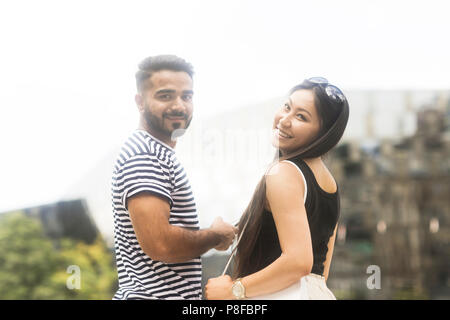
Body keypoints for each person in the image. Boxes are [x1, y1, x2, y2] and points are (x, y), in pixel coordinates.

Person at [205, 77, 349, 300]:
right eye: (287, 107)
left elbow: (299, 261)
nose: (285, 120)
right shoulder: (330, 184)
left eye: (301, 116)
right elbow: (320, 272)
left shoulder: (283, 172)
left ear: (323, 134)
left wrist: (234, 290)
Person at [111, 55, 237, 300]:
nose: (179, 105)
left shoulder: (157, 152)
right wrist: (215, 236)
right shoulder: (144, 154)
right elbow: (160, 244)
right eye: (165, 96)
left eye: (186, 96)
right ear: (140, 101)